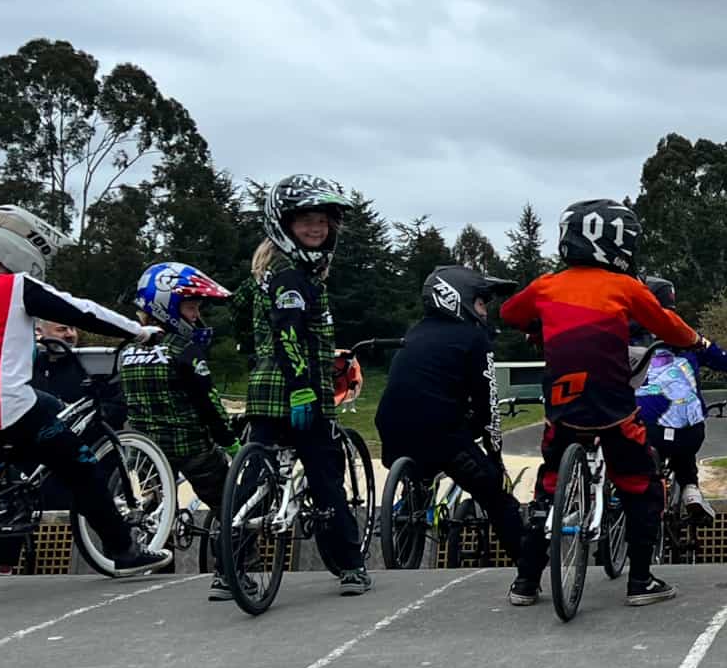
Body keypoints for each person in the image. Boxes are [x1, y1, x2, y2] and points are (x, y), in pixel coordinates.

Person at [0, 204, 170, 579]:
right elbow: (82, 311)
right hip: (8, 411)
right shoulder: (18, 287)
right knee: (82, 467)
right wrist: (139, 331)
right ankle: (124, 550)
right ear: (22, 249)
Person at [500, 200, 699, 605]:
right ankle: (640, 581)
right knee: (641, 485)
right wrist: (695, 342)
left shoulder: (545, 285)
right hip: (612, 405)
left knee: (549, 486)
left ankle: (525, 582)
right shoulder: (627, 287)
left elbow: (508, 313)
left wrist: (537, 326)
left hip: (562, 402)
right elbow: (668, 325)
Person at [243, 175, 371, 596]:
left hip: (263, 391)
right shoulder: (292, 275)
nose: (317, 229)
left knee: (254, 480)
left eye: (322, 221)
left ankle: (232, 567)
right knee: (326, 476)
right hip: (299, 391)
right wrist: (302, 387)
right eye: (306, 222)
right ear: (283, 223)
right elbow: (288, 333)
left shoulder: (276, 266)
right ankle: (351, 565)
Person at [378, 263, 526, 565]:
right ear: (458, 299)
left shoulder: (415, 332)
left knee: (425, 466)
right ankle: (530, 570)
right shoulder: (473, 339)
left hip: (391, 429)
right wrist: (494, 457)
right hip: (439, 433)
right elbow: (488, 405)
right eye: (481, 302)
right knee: (497, 497)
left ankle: (411, 512)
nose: (485, 312)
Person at [119, 262, 241, 598]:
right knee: (232, 506)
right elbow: (209, 404)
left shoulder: (127, 350)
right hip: (192, 446)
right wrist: (230, 442)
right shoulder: (183, 351)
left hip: (147, 455)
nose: (196, 316)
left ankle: (157, 575)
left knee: (159, 511)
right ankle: (230, 575)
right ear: (167, 307)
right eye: (190, 308)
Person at [632, 275, 727, 522]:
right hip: (689, 434)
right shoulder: (690, 338)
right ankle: (690, 490)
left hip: (641, 426)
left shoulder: (625, 337)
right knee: (683, 439)